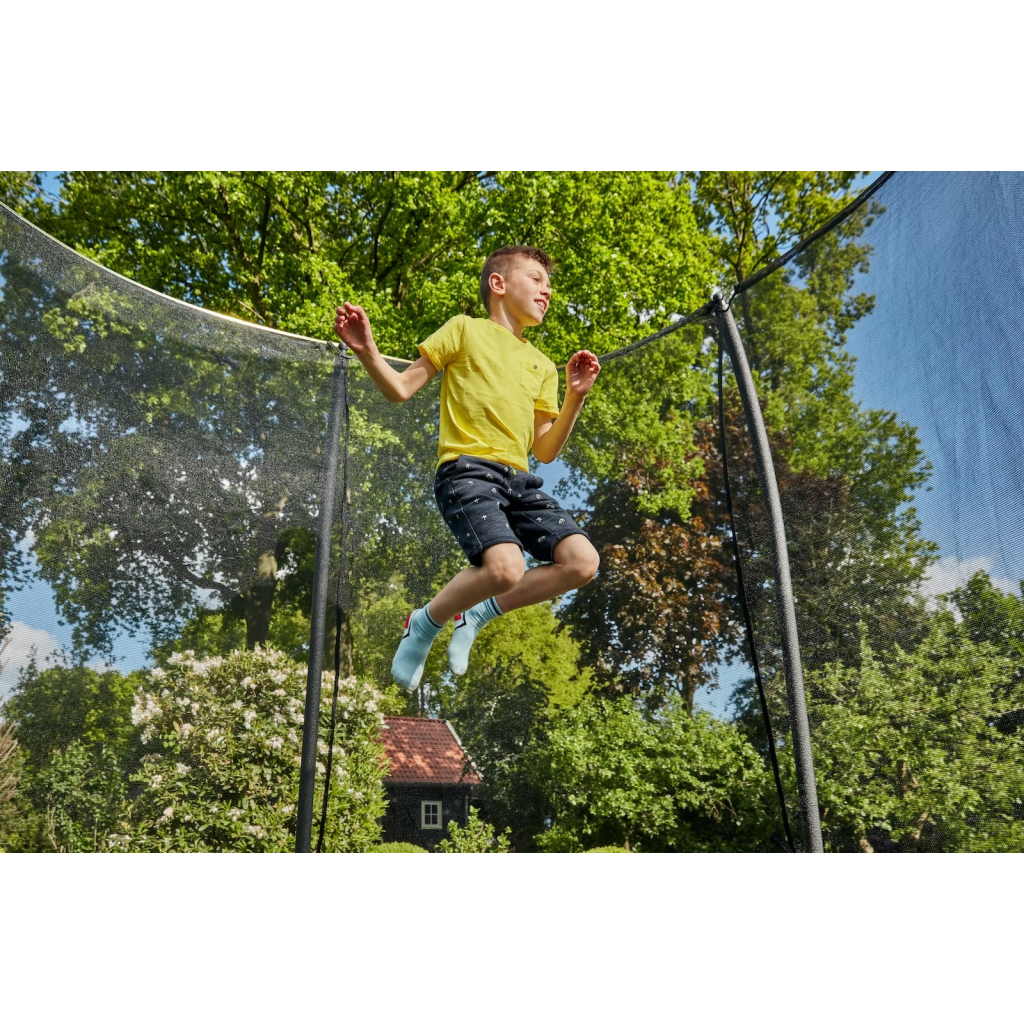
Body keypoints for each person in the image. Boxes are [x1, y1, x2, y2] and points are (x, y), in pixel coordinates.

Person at [334, 245, 601, 691]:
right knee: (505, 569)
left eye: (549, 285)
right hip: (468, 472)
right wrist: (367, 350)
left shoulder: (542, 365)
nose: (547, 291)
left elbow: (546, 449)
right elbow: (401, 388)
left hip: (519, 481)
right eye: (536, 279)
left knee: (583, 561)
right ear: (499, 284)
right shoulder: (464, 329)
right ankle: (423, 623)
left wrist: (576, 396)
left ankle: (478, 612)